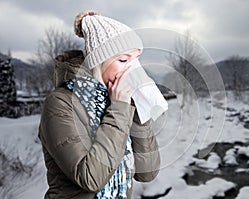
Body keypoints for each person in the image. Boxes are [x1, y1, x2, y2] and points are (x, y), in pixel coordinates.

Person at [38, 11, 160, 199]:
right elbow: (91, 178)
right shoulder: (60, 103)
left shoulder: (120, 103)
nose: (132, 70)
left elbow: (147, 172)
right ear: (98, 62)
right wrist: (119, 109)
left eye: (135, 60)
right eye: (123, 60)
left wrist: (138, 111)